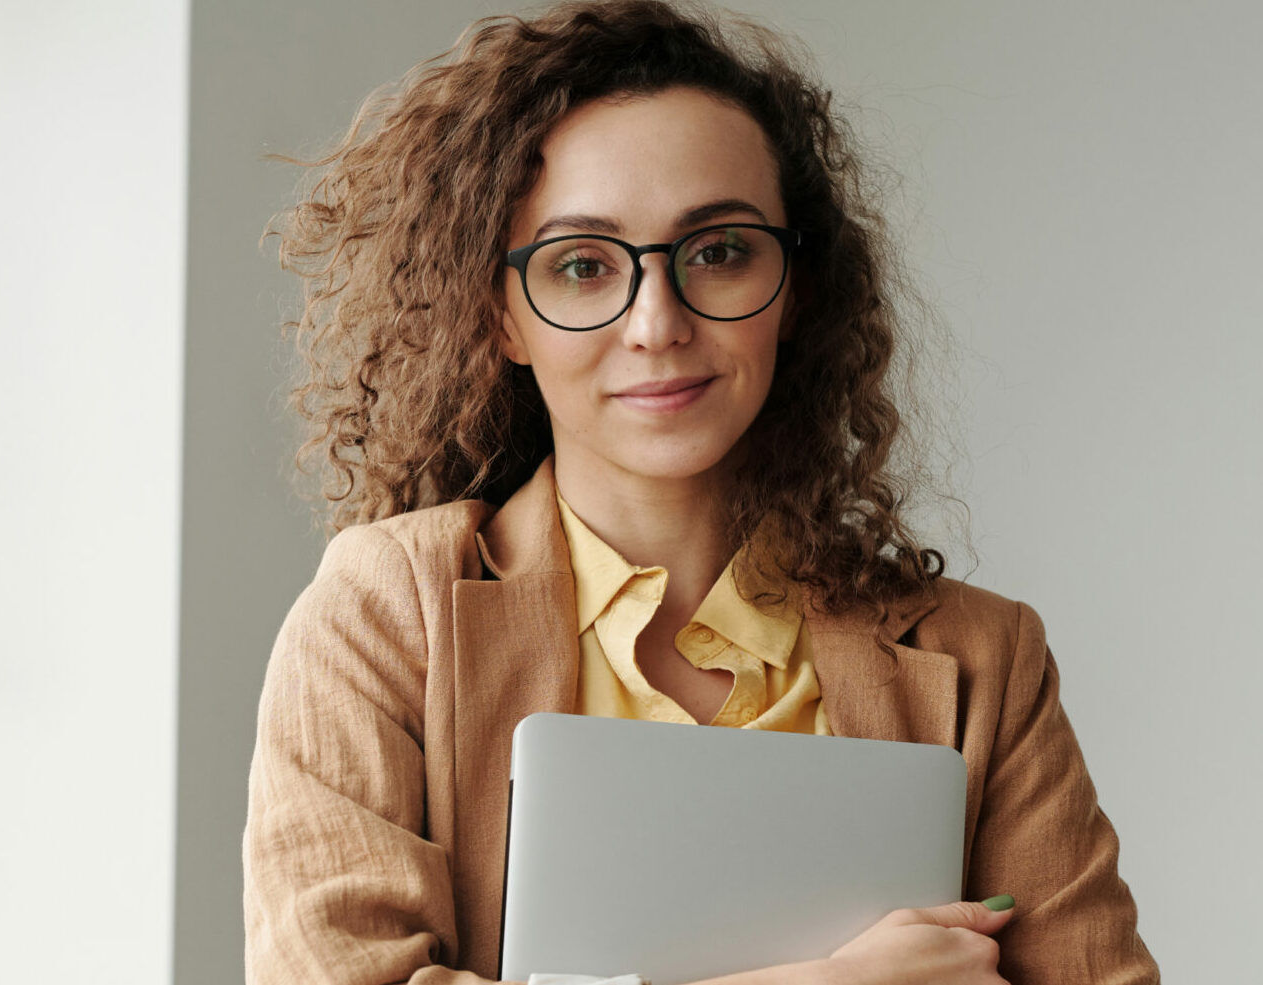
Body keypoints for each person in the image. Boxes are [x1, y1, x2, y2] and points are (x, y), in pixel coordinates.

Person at [242, 2, 1160, 983]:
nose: (656, 323)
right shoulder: (385, 614)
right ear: (501, 315)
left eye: (719, 250)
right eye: (583, 265)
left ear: (796, 285)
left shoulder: (984, 662)